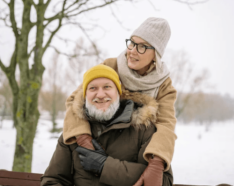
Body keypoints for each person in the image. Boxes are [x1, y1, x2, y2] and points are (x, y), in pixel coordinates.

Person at [63, 17, 177, 185]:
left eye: (142, 47)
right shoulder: (111, 66)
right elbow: (75, 100)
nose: (132, 51)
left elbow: (166, 125)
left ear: (156, 55)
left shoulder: (163, 86)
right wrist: (83, 138)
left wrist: (156, 163)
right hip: (102, 141)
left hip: (135, 153)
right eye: (131, 43)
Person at [41, 65, 173, 186]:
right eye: (92, 88)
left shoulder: (143, 129)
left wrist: (105, 166)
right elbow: (52, 181)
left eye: (107, 87)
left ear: (118, 92)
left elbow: (164, 181)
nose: (100, 95)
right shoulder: (73, 133)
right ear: (85, 95)